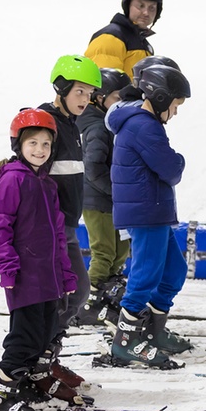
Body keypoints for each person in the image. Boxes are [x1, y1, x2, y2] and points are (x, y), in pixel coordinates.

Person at [0, 109, 87, 411]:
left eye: (45, 144)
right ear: (19, 145)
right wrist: (7, 266)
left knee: (43, 335)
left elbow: (58, 236)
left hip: (49, 278)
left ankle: (24, 386)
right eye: (33, 143)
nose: (40, 150)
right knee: (24, 338)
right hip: (26, 277)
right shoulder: (13, 180)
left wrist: (66, 275)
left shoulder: (46, 185)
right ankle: (0, 399)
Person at [106, 64, 194, 369]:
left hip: (154, 210)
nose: (176, 113)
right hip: (146, 212)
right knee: (145, 275)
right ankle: (126, 342)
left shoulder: (143, 124)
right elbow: (171, 169)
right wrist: (180, 160)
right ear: (159, 98)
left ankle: (154, 332)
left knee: (173, 271)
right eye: (175, 105)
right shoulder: (144, 126)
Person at [38, 55, 101, 385]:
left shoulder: (70, 125)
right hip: (50, 228)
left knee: (75, 292)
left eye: (89, 94)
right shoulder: (44, 121)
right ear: (61, 88)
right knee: (64, 294)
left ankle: (46, 359)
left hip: (68, 226)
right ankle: (36, 363)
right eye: (79, 91)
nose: (85, 100)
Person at [75, 68, 133, 327]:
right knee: (104, 252)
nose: (122, 103)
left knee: (121, 251)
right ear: (98, 97)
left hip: (111, 200)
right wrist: (116, 190)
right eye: (117, 97)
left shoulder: (111, 123)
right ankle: (87, 303)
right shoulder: (98, 128)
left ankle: (109, 298)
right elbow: (93, 168)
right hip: (96, 201)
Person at [85, 0, 164, 79]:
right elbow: (104, 84)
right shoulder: (111, 37)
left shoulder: (143, 45)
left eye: (152, 8)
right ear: (128, 5)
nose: (146, 13)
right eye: (140, 6)